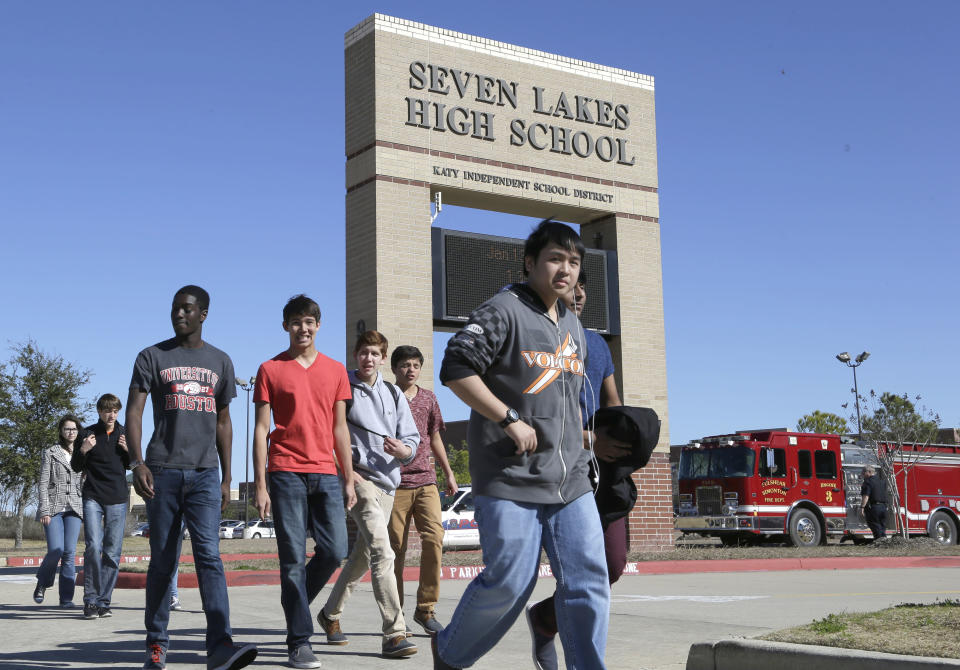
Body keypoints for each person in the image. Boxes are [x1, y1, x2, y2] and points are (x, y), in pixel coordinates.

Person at [434, 220, 609, 670]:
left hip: (570, 479)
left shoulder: (573, 323)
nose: (565, 269)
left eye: (573, 261)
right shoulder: (503, 309)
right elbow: (456, 367)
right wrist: (507, 418)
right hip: (510, 476)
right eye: (555, 258)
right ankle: (449, 655)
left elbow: (568, 403)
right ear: (530, 263)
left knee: (590, 580)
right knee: (511, 582)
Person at [125, 285, 257, 670]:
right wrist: (137, 463)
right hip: (161, 472)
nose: (178, 314)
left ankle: (219, 646)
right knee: (163, 562)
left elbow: (225, 422)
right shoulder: (152, 356)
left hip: (204, 475)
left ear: (203, 314)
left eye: (187, 309)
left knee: (210, 559)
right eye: (174, 309)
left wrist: (228, 476)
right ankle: (156, 644)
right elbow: (134, 412)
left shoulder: (221, 361)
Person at [252, 294, 356, 670]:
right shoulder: (270, 369)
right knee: (292, 559)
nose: (303, 328)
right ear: (286, 326)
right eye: (296, 322)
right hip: (285, 472)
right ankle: (299, 641)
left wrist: (347, 477)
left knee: (334, 550)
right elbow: (262, 429)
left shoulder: (336, 370)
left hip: (326, 472)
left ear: (319, 325)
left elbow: (340, 428)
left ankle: (294, 603)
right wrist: (260, 485)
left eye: (309, 321)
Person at [318, 330, 419, 659]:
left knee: (362, 556)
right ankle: (394, 633)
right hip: (358, 480)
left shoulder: (393, 393)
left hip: (389, 482)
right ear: (355, 355)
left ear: (382, 358)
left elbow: (412, 440)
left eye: (374, 354)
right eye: (363, 352)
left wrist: (403, 450)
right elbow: (327, 432)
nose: (368, 358)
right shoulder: (342, 386)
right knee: (382, 551)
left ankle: (329, 614)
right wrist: (346, 470)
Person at [387, 345, 457, 634]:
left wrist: (448, 473)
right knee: (395, 551)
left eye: (415, 364)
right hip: (394, 484)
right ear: (394, 369)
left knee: (434, 539)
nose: (411, 370)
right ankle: (396, 615)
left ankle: (426, 609)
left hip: (426, 480)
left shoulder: (428, 398)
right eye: (405, 365)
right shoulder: (385, 396)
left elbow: (435, 438)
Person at [71, 393, 129, 620]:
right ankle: (90, 601)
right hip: (93, 496)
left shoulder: (124, 433)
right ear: (99, 412)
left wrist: (128, 451)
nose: (111, 415)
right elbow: (76, 466)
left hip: (117, 498)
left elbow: (134, 464)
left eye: (115, 411)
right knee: (94, 547)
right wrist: (84, 449)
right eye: (107, 411)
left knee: (112, 553)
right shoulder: (87, 433)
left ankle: (104, 602)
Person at [34, 414, 85, 608]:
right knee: (56, 550)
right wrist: (44, 510)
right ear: (61, 432)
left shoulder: (83, 452)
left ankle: (66, 599)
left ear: (78, 431)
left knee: (69, 553)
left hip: (74, 508)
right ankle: (43, 582)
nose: (71, 432)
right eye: (67, 429)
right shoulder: (51, 452)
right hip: (54, 508)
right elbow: (43, 482)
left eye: (74, 429)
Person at [861, 465, 888, 540]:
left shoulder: (868, 482)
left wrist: (862, 507)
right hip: (884, 507)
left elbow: (866, 496)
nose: (862, 474)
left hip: (874, 507)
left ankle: (879, 542)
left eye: (863, 472)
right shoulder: (882, 481)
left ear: (869, 472)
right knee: (882, 526)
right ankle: (884, 541)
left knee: (875, 525)